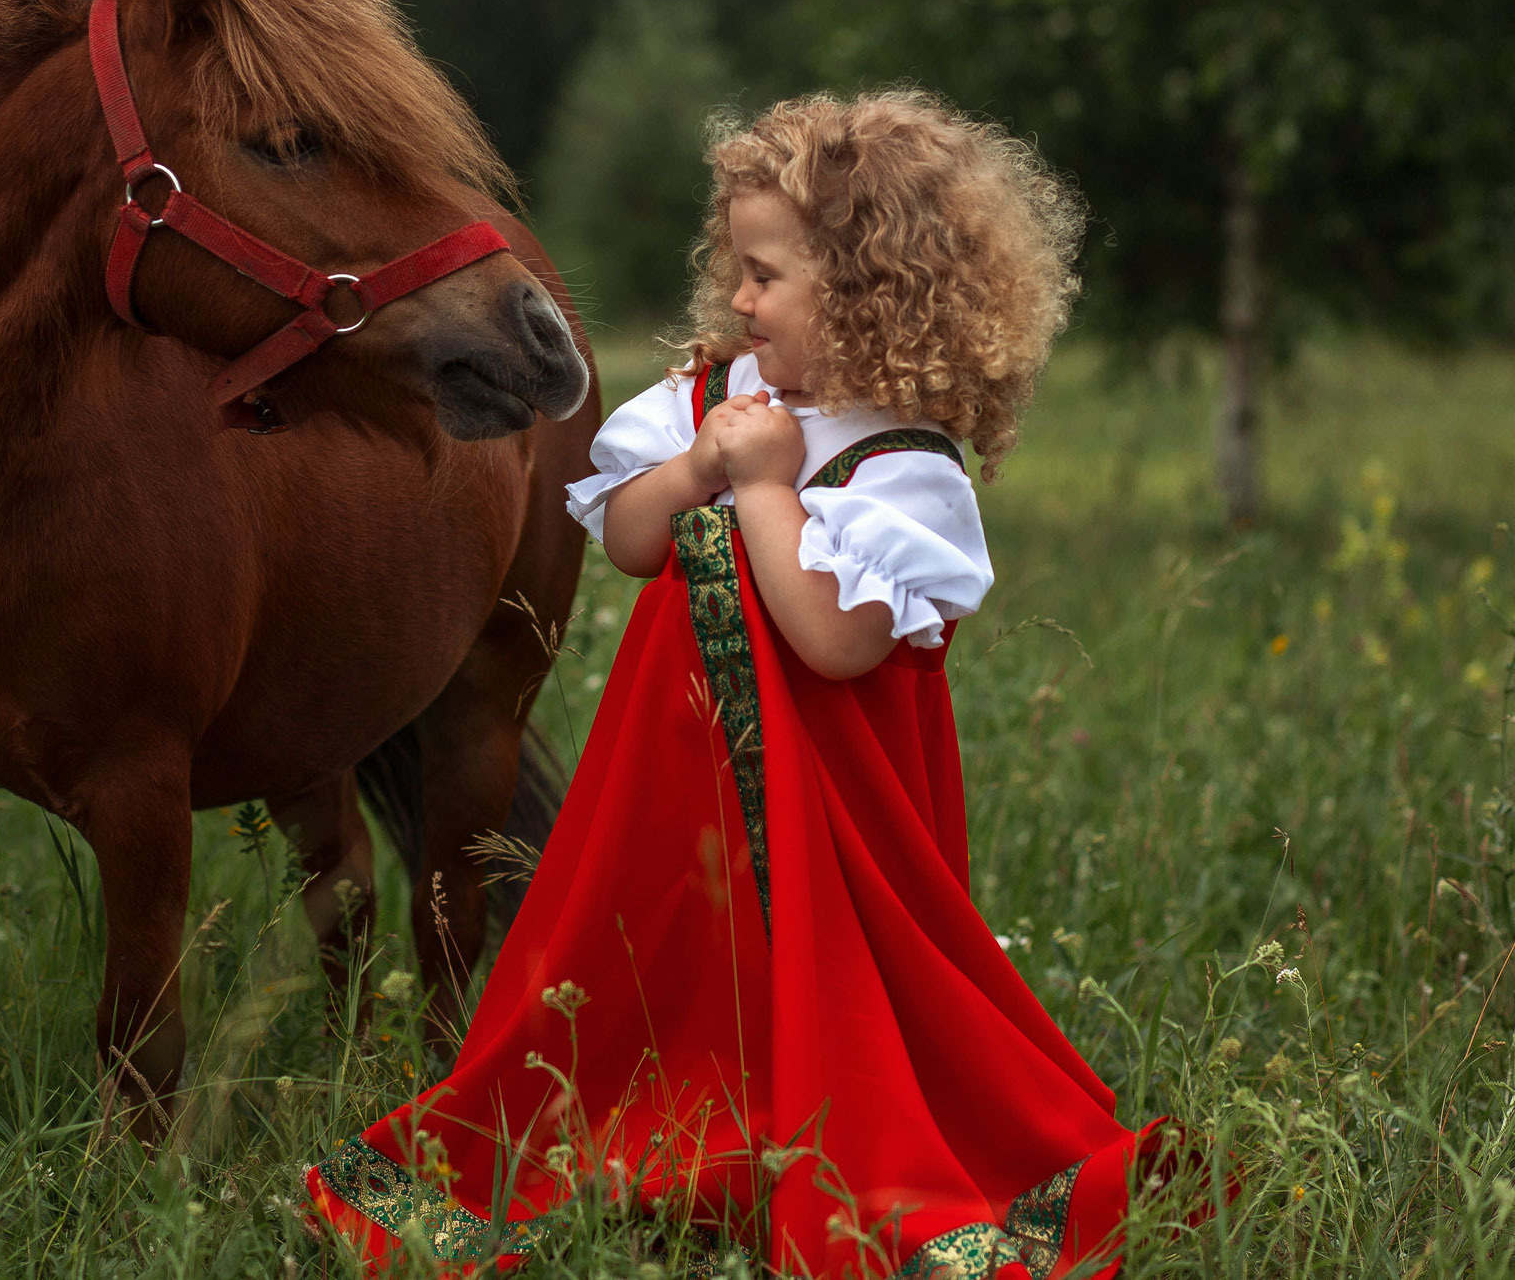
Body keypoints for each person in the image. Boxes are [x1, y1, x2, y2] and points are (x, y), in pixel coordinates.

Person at [305, 92, 1176, 1278]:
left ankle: (819, 1150)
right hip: (670, 804)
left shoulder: (904, 469)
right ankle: (669, 1132)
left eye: (768, 274)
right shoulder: (723, 407)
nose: (741, 299)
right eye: (740, 269)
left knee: (825, 1002)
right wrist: (707, 461)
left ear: (872, 293)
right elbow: (628, 538)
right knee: (654, 980)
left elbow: (833, 641)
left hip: (835, 834)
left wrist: (763, 489)